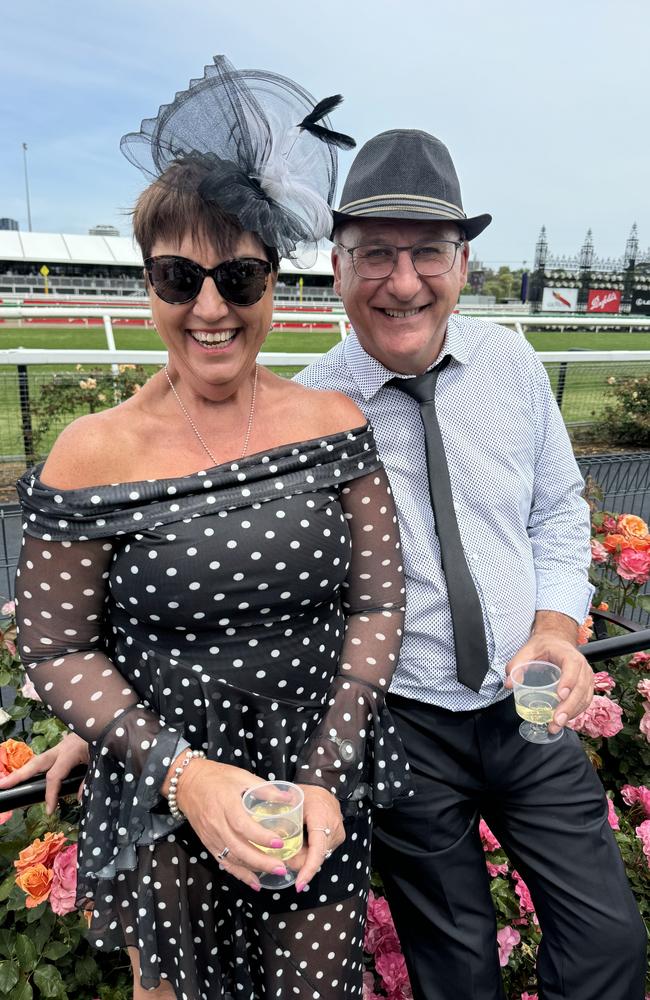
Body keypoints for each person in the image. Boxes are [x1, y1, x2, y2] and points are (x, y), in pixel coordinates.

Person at [7, 127, 647, 998]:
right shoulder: (306, 409)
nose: (405, 279)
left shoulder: (486, 372)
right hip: (397, 724)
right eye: (376, 254)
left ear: (463, 263)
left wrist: (560, 628)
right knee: (452, 964)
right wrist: (113, 735)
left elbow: (554, 517)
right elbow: (130, 611)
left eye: (431, 252)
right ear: (336, 269)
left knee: (611, 940)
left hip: (494, 710)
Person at [11, 57, 412, 1000]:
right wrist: (180, 774)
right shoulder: (91, 452)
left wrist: (322, 775)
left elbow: (377, 604)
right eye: (178, 276)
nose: (209, 308)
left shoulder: (333, 427)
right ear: (147, 280)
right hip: (166, 793)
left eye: (237, 276)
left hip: (314, 776)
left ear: (274, 280)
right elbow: (57, 643)